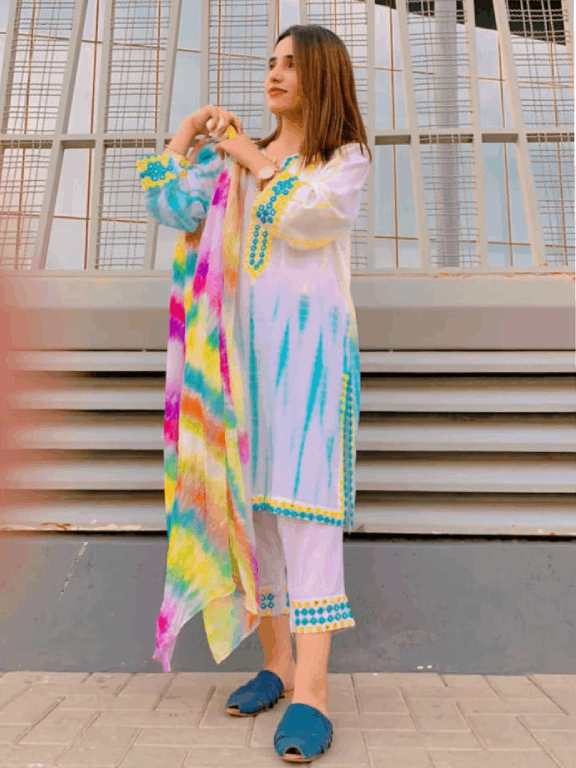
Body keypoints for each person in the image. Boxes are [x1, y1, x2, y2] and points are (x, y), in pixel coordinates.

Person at [136, 23, 372, 763]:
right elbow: (173, 207)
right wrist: (186, 134)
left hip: (311, 364)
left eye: (291, 65)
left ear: (322, 76)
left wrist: (246, 154)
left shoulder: (344, 160)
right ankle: (277, 666)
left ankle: (313, 695)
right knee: (256, 511)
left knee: (307, 512)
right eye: (270, 62)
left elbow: (308, 220)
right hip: (237, 367)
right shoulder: (238, 161)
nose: (274, 73)